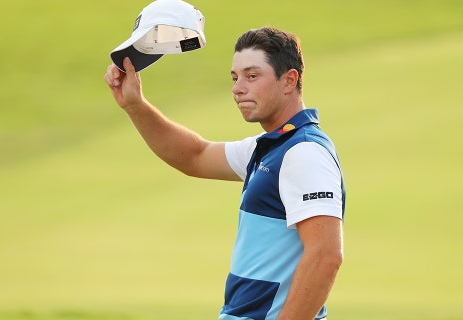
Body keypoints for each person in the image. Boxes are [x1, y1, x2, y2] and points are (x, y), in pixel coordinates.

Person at [104, 26, 345, 320]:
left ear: (289, 80)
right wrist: (135, 105)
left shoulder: (304, 152)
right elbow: (195, 156)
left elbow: (325, 257)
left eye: (252, 76)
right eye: (235, 77)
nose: (238, 88)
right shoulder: (270, 147)